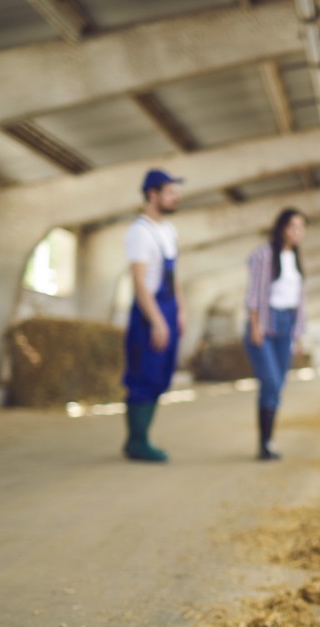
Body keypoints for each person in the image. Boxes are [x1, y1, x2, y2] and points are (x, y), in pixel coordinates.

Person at [121, 168, 184, 462]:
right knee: (143, 375)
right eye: (170, 192)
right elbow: (140, 282)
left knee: (161, 375)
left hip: (169, 307)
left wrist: (180, 310)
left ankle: (142, 437)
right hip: (150, 311)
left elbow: (174, 276)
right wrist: (157, 320)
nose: (175, 197)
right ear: (152, 195)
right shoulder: (139, 232)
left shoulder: (168, 231)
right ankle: (137, 441)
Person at [244, 208, 308, 460]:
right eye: (294, 226)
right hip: (266, 323)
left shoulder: (296, 258)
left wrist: (299, 334)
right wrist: (255, 324)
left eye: (302, 228)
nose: (298, 232)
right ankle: (264, 444)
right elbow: (255, 293)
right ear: (282, 228)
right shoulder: (264, 255)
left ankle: (268, 442)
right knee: (270, 381)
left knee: (278, 385)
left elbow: (300, 300)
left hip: (287, 325)